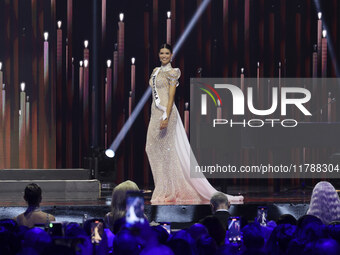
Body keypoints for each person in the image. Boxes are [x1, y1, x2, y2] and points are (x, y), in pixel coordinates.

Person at [145, 43, 243, 204]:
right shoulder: (155, 71)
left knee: (169, 153)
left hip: (166, 113)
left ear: (171, 55)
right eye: (161, 53)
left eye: (166, 53)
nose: (163, 56)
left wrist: (166, 116)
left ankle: (170, 190)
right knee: (152, 148)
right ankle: (162, 187)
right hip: (155, 113)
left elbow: (171, 97)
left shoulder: (173, 72)